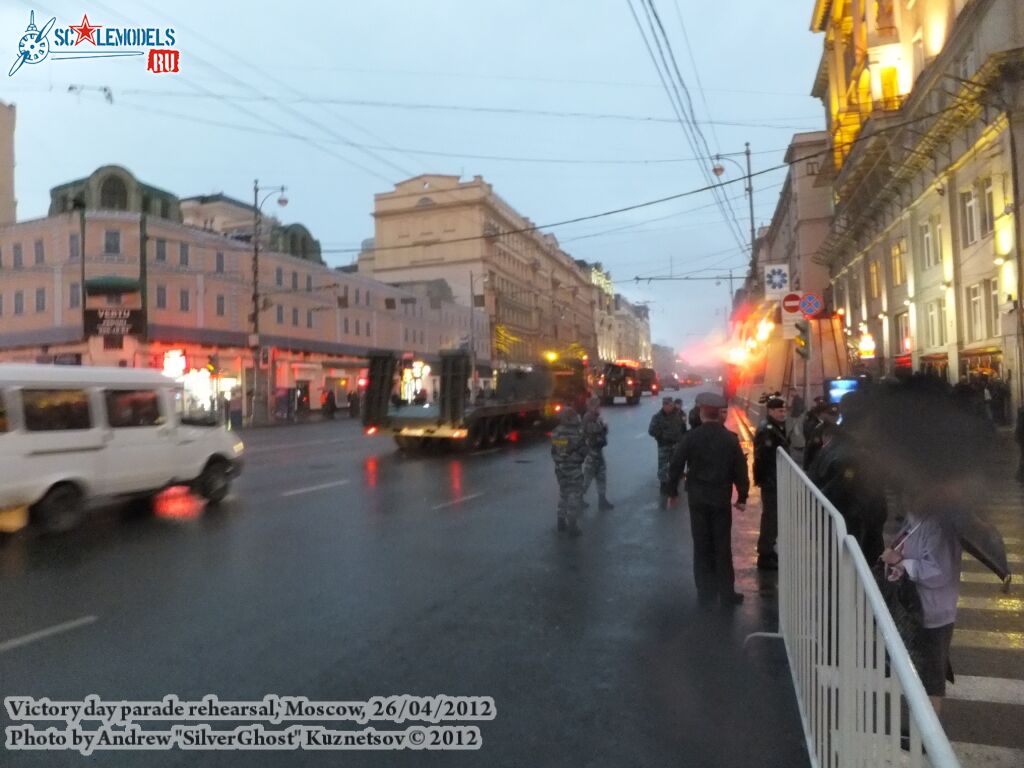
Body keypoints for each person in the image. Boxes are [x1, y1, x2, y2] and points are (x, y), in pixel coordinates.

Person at [879, 482, 963, 716]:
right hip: (915, 608)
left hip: (933, 613)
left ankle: (929, 735)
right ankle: (919, 727)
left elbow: (939, 571)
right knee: (919, 669)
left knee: (931, 677)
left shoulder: (939, 527)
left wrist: (900, 562)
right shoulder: (915, 520)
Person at [667, 392, 750, 608]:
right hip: (720, 499)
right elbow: (740, 469)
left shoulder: (691, 438)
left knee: (701, 545)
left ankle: (705, 592)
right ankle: (727, 594)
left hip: (697, 499)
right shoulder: (730, 439)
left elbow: (676, 464)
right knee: (722, 546)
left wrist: (672, 493)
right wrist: (742, 496)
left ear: (702, 414)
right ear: (718, 415)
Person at [753, 396, 790, 570]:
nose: (783, 414)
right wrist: (766, 480)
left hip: (774, 479)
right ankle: (765, 554)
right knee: (770, 517)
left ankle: (768, 549)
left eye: (784, 410)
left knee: (773, 517)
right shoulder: (768, 430)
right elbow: (764, 459)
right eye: (779, 411)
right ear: (770, 411)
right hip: (771, 481)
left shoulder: (774, 427)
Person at [551, 406, 588, 536]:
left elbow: (554, 451)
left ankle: (560, 520)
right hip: (573, 469)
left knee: (563, 493)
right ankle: (572, 525)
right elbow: (584, 450)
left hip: (560, 468)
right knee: (575, 495)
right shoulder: (577, 432)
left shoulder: (556, 431)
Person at [649, 396, 687, 505]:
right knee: (662, 467)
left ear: (672, 404)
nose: (667, 407)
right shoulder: (657, 417)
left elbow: (682, 428)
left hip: (676, 445)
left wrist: (681, 440)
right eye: (665, 404)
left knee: (675, 467)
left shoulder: (679, 414)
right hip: (663, 446)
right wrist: (661, 435)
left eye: (668, 404)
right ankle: (663, 486)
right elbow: (651, 431)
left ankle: (673, 488)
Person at [581, 397, 614, 511]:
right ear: (592, 406)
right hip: (591, 452)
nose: (599, 408)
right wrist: (603, 425)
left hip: (598, 451)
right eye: (597, 406)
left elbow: (604, 430)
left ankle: (602, 500)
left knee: (601, 476)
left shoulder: (596, 417)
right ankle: (578, 500)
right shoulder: (588, 417)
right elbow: (593, 430)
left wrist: (603, 426)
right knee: (587, 478)